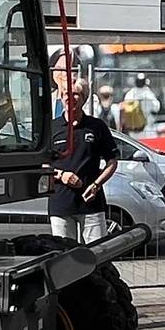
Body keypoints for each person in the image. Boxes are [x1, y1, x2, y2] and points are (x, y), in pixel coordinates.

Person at [49, 77, 121, 244]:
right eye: (66, 94)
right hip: (61, 204)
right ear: (61, 98)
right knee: (64, 254)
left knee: (97, 252)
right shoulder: (52, 128)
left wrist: (96, 185)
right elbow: (42, 164)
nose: (70, 98)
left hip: (91, 204)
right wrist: (61, 175)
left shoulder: (97, 127)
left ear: (84, 98)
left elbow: (112, 162)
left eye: (76, 94)